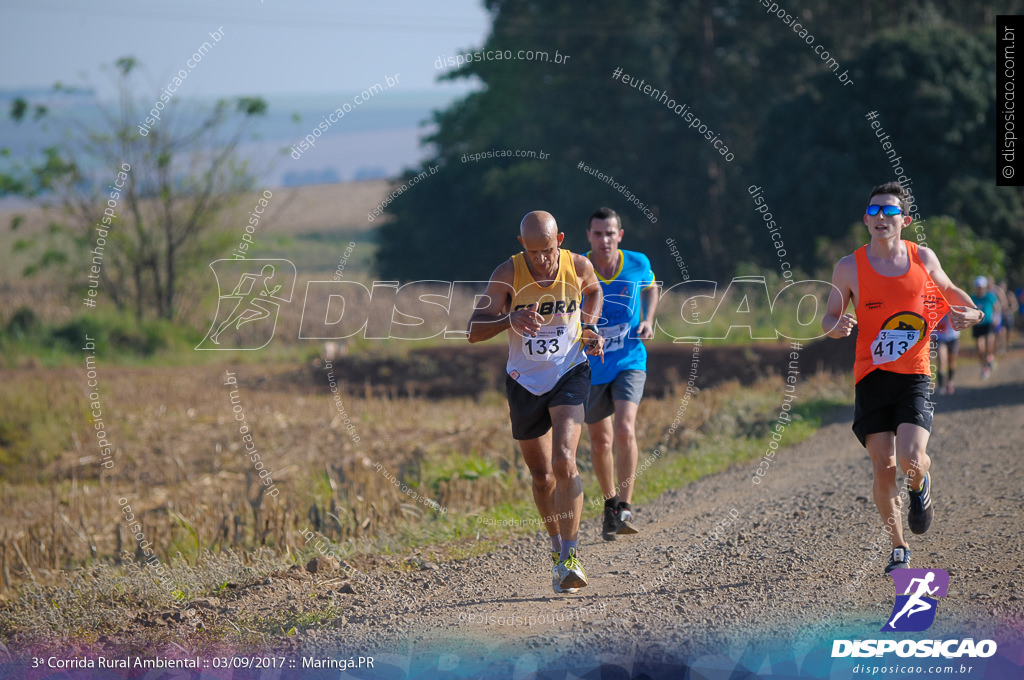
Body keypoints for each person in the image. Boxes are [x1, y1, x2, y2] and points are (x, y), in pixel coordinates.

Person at [823, 182, 984, 574]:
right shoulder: (848, 267)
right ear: (866, 219)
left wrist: (975, 314)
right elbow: (829, 315)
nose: (881, 218)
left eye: (889, 212)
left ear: (904, 221)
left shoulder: (922, 258)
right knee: (883, 467)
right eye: (874, 211)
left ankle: (920, 486)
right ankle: (898, 547)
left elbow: (951, 292)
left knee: (912, 461)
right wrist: (836, 326)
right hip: (871, 375)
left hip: (914, 373)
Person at [467, 211, 605, 594]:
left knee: (564, 459)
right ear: (521, 245)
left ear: (559, 238)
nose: (543, 260)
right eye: (534, 252)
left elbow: (593, 290)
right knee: (542, 476)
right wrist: (509, 319)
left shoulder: (577, 264)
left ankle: (572, 556)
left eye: (548, 250)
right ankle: (556, 545)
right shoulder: (507, 274)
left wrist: (589, 326)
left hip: (569, 370)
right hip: (524, 380)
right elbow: (472, 331)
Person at [582, 207, 659, 540]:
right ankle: (610, 503)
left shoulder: (637, 262)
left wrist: (649, 320)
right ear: (589, 236)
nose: (604, 240)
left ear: (620, 235)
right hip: (591, 365)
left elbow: (652, 287)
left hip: (630, 358)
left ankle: (625, 506)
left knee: (626, 429)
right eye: (598, 234)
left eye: (610, 233)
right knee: (601, 443)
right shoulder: (578, 267)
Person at [970, 276, 999, 379]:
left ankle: (990, 359)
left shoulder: (990, 296)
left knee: (989, 347)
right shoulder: (972, 298)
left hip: (988, 324)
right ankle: (985, 367)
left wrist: (996, 319)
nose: (979, 289)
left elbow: (997, 308)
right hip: (977, 325)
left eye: (981, 287)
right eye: (978, 287)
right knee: (980, 349)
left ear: (985, 287)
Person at [931, 313, 959, 395]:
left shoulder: (952, 304)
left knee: (951, 362)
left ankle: (950, 382)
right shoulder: (933, 304)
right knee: (942, 361)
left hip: (953, 336)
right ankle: (941, 385)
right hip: (939, 337)